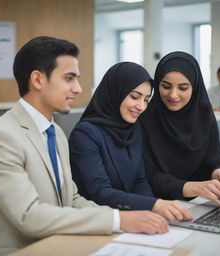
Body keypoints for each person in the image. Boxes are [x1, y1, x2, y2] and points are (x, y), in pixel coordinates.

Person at [0, 37, 167, 256]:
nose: (78, 88)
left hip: (62, 244)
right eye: (69, 78)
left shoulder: (55, 134)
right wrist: (118, 218)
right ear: (37, 80)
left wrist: (130, 219)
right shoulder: (2, 136)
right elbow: (29, 215)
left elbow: (72, 200)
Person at [69, 62, 192, 222]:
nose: (141, 106)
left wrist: (156, 214)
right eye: (135, 97)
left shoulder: (134, 129)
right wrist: (154, 205)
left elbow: (139, 181)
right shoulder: (85, 134)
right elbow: (99, 192)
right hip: (99, 221)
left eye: (146, 99)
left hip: (131, 219)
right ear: (116, 92)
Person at [140, 51, 220, 206]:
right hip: (158, 205)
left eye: (183, 88)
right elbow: (145, 174)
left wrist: (218, 171)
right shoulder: (144, 119)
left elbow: (215, 159)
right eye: (166, 86)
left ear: (194, 88)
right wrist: (188, 187)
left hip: (202, 201)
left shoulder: (204, 116)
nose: (173, 95)